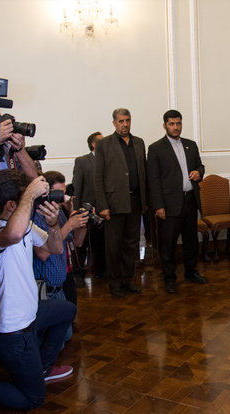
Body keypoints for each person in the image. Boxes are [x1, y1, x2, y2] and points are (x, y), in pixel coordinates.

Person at [0, 170, 76, 410]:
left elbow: (55, 247)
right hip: (12, 331)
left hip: (30, 314)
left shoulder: (25, 225)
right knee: (33, 399)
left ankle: (41, 367)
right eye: (25, 200)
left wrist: (52, 224)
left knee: (67, 310)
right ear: (11, 205)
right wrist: (30, 195)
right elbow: (14, 234)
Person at [147, 109, 207, 294]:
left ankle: (191, 273)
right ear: (164, 125)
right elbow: (153, 180)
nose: (176, 127)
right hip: (169, 205)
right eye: (172, 124)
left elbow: (200, 166)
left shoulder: (191, 145)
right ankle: (169, 279)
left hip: (190, 202)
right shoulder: (156, 148)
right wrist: (158, 206)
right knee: (168, 245)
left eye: (178, 123)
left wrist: (199, 172)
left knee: (191, 242)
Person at [94, 108, 147, 298]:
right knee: (114, 246)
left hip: (135, 202)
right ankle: (114, 283)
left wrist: (145, 202)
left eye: (128, 120)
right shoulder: (104, 144)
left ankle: (127, 280)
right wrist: (102, 206)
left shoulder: (139, 143)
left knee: (131, 244)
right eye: (121, 121)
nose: (125, 124)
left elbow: (143, 173)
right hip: (113, 204)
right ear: (114, 123)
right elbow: (98, 178)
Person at [33, 170, 88, 339]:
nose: (62, 199)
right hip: (45, 290)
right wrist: (70, 225)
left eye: (64, 193)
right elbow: (43, 253)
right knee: (52, 338)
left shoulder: (60, 215)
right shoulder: (35, 217)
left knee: (65, 336)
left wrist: (81, 223)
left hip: (61, 287)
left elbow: (77, 242)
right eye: (58, 194)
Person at [72, 131, 106, 282]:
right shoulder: (82, 161)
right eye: (101, 141)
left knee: (100, 244)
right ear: (93, 144)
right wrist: (75, 209)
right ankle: (79, 275)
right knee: (82, 244)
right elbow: (77, 186)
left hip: (102, 211)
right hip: (85, 210)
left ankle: (101, 272)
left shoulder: (107, 160)